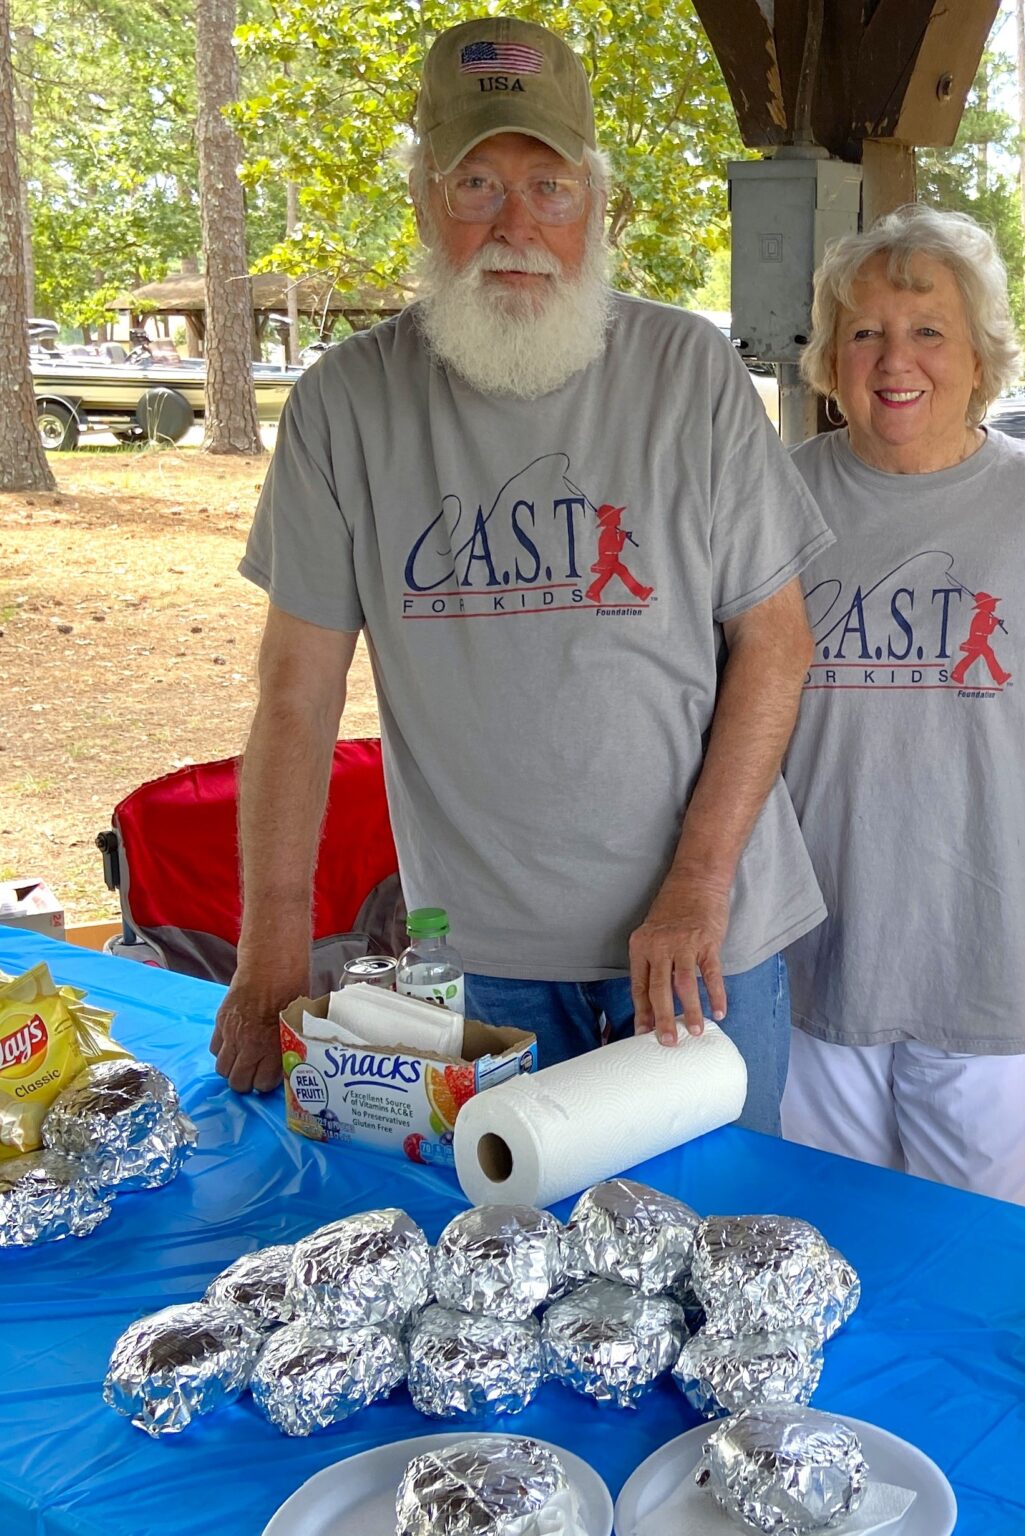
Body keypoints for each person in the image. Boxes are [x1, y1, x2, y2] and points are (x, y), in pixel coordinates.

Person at [212, 16, 833, 1134]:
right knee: (512, 1275)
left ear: (595, 205)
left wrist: (696, 885)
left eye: (549, 188)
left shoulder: (685, 369)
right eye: (476, 185)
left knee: (724, 1264)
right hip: (483, 965)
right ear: (422, 199)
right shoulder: (345, 405)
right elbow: (295, 699)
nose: (517, 226)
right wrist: (270, 953)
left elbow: (775, 641)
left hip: (700, 946)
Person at [776, 206, 1025, 1204]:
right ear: (828, 358)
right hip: (805, 965)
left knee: (970, 1273)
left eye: (927, 330)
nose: (892, 359)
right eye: (862, 331)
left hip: (980, 965)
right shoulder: (772, 499)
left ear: (979, 356)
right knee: (816, 1255)